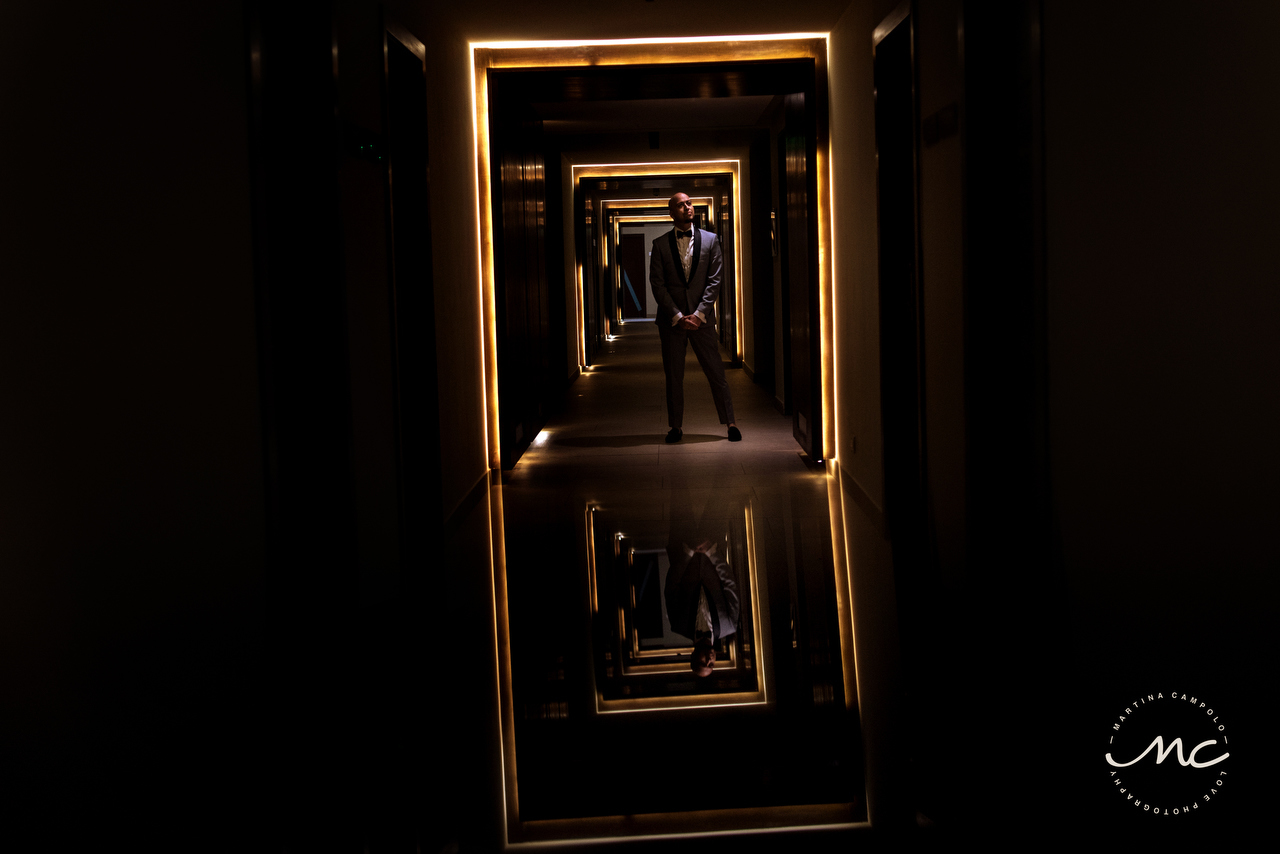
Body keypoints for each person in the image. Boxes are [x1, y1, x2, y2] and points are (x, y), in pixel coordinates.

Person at [649, 192, 740, 444]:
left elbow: (715, 280)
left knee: (716, 372)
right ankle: (676, 427)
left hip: (702, 320)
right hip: (672, 322)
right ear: (671, 213)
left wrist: (699, 314)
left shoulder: (711, 241)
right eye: (681, 205)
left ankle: (731, 423)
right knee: (674, 376)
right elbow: (657, 285)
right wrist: (678, 315)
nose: (687, 207)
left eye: (689, 203)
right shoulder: (659, 245)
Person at [664, 539, 740, 678]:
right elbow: (730, 585)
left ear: (693, 656)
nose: (709, 660)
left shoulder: (678, 625)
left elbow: (671, 586)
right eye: (711, 665)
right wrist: (712, 553)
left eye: (703, 663)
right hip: (713, 544)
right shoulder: (729, 625)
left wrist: (688, 553)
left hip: (683, 547)